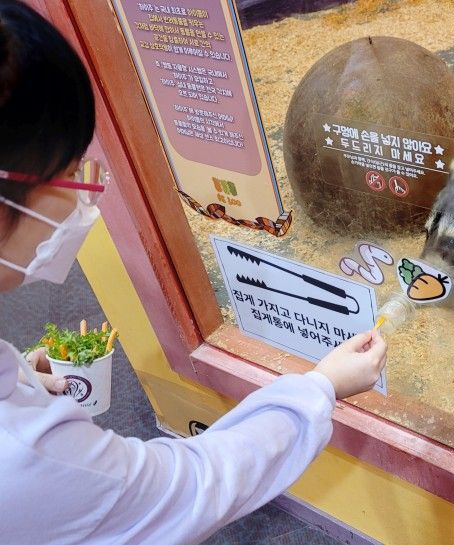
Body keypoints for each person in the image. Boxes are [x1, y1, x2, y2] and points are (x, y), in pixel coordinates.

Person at [0, 2, 387, 544]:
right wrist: (320, 387)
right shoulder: (30, 456)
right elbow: (193, 486)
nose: (87, 194)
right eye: (71, 174)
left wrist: (18, 380)